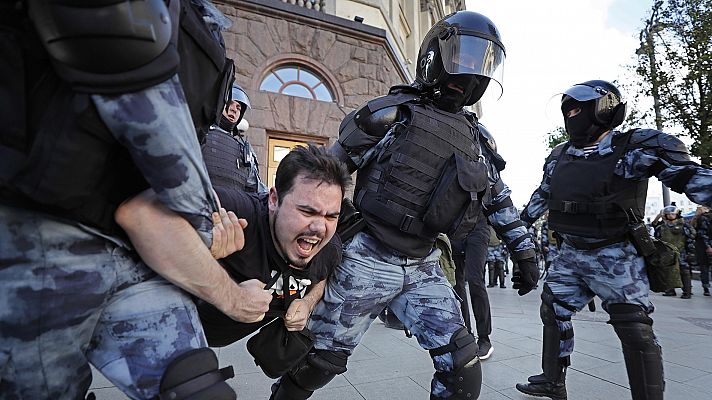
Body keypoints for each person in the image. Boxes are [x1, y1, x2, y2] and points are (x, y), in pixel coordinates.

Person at [0, 1, 270, 399]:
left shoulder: (197, 20)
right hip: (41, 245)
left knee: (200, 390)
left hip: (138, 253)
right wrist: (202, 236)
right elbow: (152, 118)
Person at [270, 11, 539, 400]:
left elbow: (499, 198)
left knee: (462, 363)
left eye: (483, 63)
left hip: (425, 265)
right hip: (366, 258)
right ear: (438, 55)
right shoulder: (389, 114)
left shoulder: (478, 139)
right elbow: (325, 176)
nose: (473, 72)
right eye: (465, 56)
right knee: (320, 362)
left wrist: (525, 252)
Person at [516, 79, 712, 400]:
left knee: (633, 327)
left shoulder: (634, 148)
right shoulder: (560, 156)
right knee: (552, 309)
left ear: (605, 111)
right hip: (570, 255)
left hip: (616, 253)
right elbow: (540, 199)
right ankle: (552, 380)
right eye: (569, 111)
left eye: (580, 109)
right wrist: (516, 239)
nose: (572, 116)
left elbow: (687, 175)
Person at [195, 144, 350, 346]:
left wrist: (307, 303)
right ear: (274, 200)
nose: (320, 228)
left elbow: (323, 274)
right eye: (307, 212)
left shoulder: (330, 247)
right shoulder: (239, 213)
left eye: (331, 216)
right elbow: (150, 212)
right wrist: (229, 293)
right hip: (175, 328)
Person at [202, 83, 267, 194]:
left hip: (233, 208)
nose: (234, 110)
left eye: (238, 107)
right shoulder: (200, 134)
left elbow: (256, 188)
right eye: (229, 103)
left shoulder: (244, 148)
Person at [652, 205, 697, 298]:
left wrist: (690, 252)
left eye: (672, 214)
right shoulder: (662, 226)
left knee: (684, 271)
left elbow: (691, 237)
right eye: (668, 214)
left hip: (681, 251)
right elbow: (657, 234)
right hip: (667, 252)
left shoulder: (683, 225)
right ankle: (670, 290)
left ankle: (687, 291)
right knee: (667, 270)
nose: (670, 216)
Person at [692, 206, 712, 296]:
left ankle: (706, 288)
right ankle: (706, 288)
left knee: (704, 267)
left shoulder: (699, 218)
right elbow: (703, 233)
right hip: (706, 245)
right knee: (705, 267)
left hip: (702, 246)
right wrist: (708, 246)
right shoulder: (705, 218)